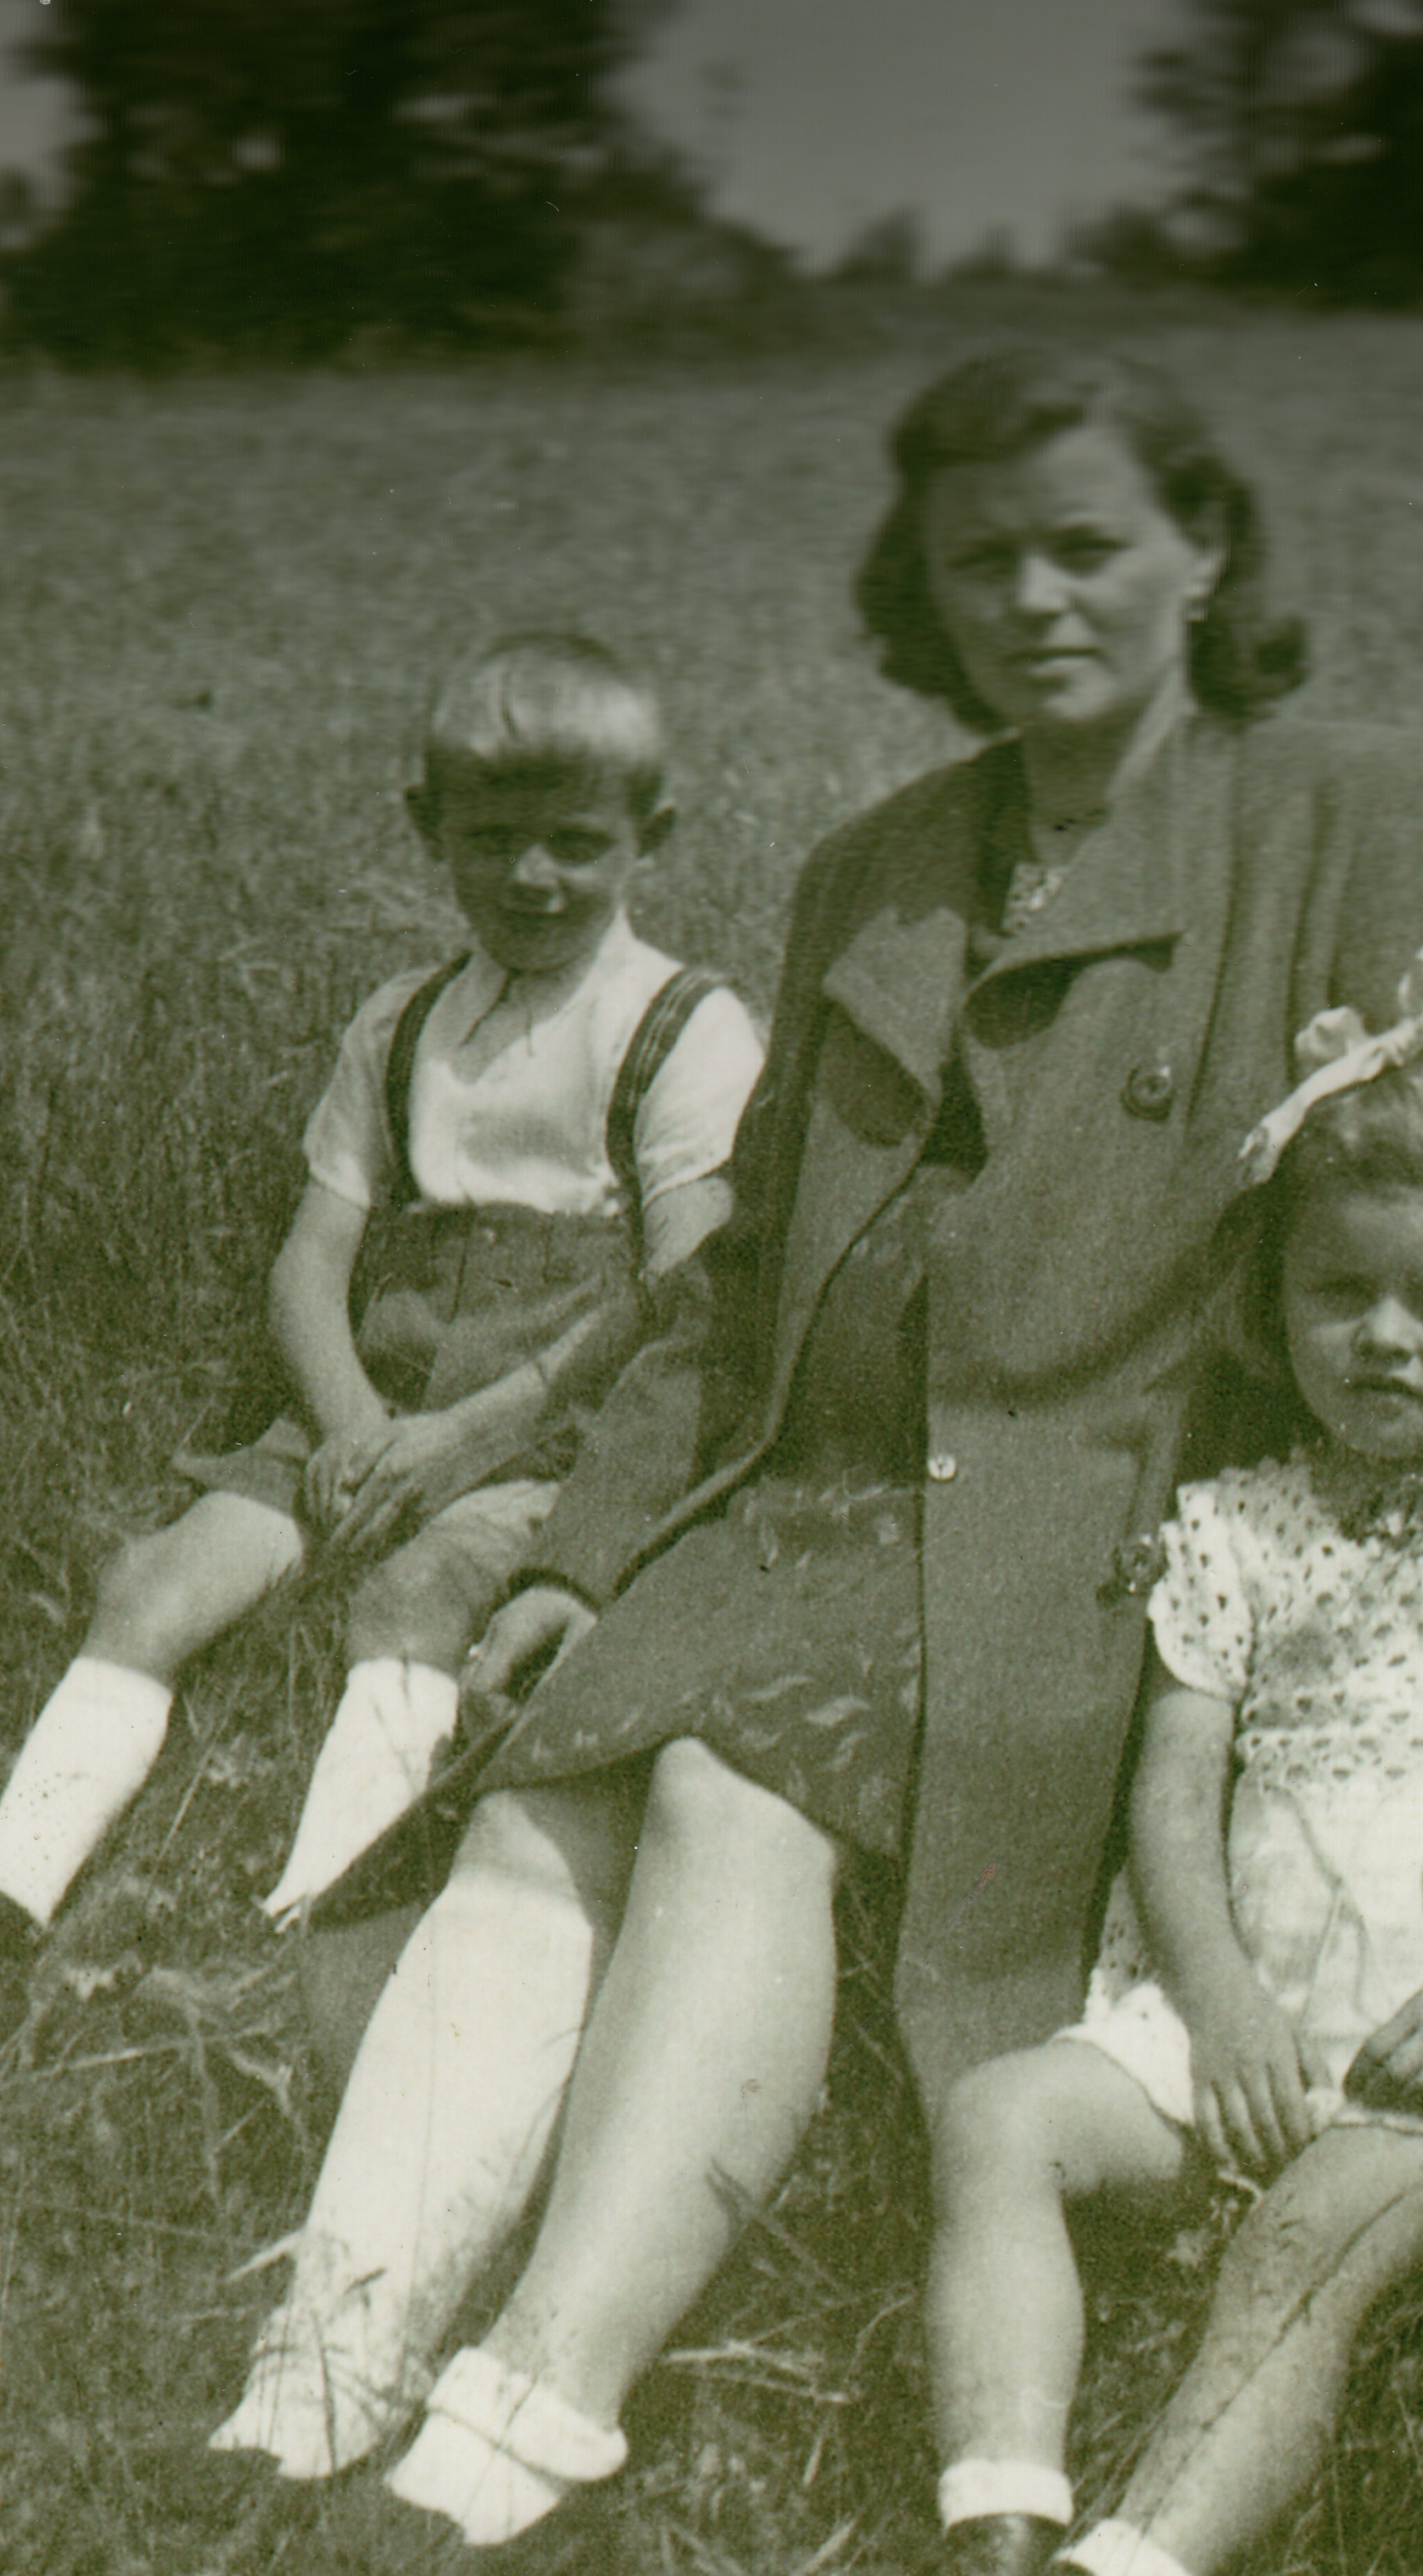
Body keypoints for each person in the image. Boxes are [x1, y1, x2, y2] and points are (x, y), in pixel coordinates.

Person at [212, 345, 1423, 2551]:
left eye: (1088, 545)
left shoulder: (1351, 814)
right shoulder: (879, 867)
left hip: (1071, 1522)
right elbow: (742, 1276)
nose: (1035, 598)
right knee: (539, 1809)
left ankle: (532, 2409)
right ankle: (323, 2361)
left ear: (1203, 551)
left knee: (730, 1784)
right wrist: (585, 1551)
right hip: (807, 1496)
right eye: (983, 558)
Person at [923, 950, 1423, 2576]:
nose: (1386, 1339)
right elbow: (1173, 1790)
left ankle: (1141, 2555)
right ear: (1272, 1300)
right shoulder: (1234, 1529)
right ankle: (997, 2509)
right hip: (1246, 2016)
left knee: (1301, 2241)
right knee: (998, 2117)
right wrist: (1215, 2003)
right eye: (1343, 1294)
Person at [0, 631, 761, 2030]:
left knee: (415, 1596)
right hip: (373, 1392)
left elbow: (682, 1284)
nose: (534, 876)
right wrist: (352, 1421)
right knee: (159, 1582)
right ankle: (18, 1879)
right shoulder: (404, 1023)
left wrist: (470, 1436)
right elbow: (312, 1258)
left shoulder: (682, 1027)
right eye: (495, 839)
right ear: (430, 829)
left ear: (648, 838)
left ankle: (318, 1937)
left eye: (577, 842)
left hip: (554, 1418)